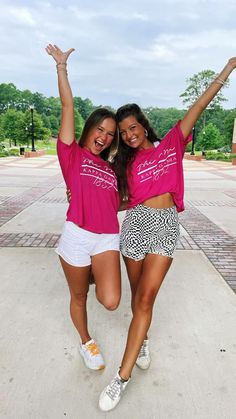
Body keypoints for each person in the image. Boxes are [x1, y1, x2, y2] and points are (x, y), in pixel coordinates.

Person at [99, 57, 236, 411]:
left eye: (132, 127)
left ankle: (121, 377)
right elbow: (115, 199)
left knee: (146, 299)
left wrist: (227, 70)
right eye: (123, 131)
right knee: (136, 295)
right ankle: (141, 339)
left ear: (143, 125)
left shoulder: (172, 143)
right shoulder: (125, 164)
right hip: (135, 225)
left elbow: (199, 104)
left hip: (165, 226)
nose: (129, 134)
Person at [46, 44, 121, 371]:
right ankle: (86, 341)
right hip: (76, 236)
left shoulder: (111, 170)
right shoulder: (71, 155)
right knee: (78, 298)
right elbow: (67, 104)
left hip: (105, 239)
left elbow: (119, 202)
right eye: (99, 130)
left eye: (110, 134)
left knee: (111, 301)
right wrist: (62, 68)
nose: (103, 137)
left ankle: (91, 271)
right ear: (89, 129)